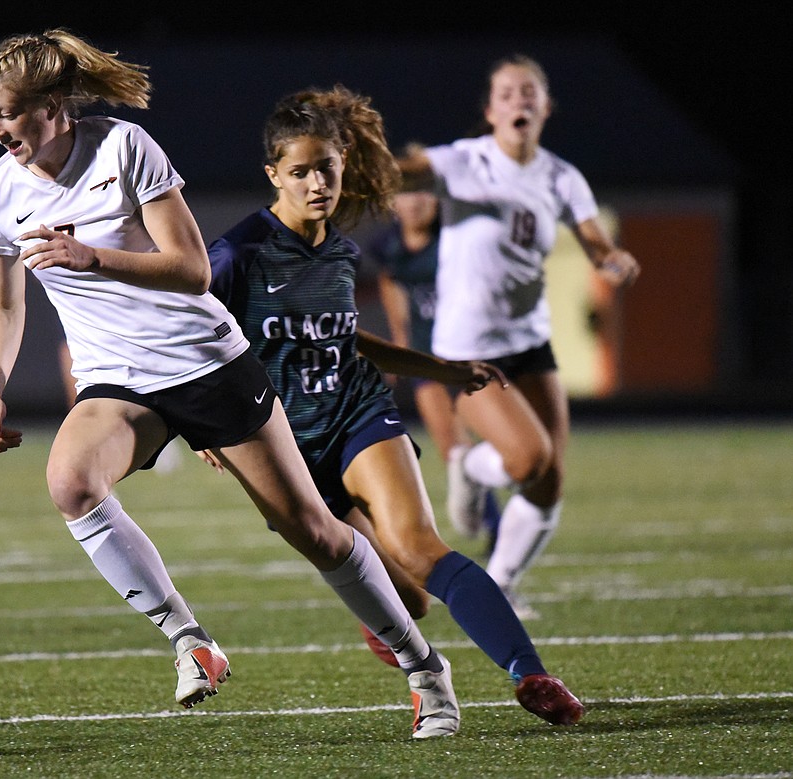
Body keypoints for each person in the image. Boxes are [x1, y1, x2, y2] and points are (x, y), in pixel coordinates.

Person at [0, 29, 459, 737]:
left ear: (53, 104)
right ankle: (190, 640)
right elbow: (5, 303)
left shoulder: (123, 147)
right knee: (71, 482)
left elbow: (194, 270)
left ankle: (425, 671)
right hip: (117, 380)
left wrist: (92, 257)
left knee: (315, 532)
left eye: (7, 112)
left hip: (206, 363)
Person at [204, 84, 585, 727]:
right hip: (280, 443)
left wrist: (442, 369)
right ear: (274, 174)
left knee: (418, 546)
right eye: (299, 172)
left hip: (356, 412)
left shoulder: (343, 253)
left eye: (326, 167)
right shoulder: (235, 255)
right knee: (409, 601)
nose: (316, 183)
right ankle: (394, 632)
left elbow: (344, 338)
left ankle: (533, 675)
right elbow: (188, 337)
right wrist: (209, 429)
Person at [398, 54, 641, 618]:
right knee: (530, 459)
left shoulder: (560, 175)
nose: (519, 101)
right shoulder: (464, 162)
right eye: (507, 93)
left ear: (545, 106)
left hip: (529, 340)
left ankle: (501, 584)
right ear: (491, 110)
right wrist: (360, 158)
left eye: (529, 92)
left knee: (549, 480)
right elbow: (405, 170)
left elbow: (592, 240)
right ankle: (472, 465)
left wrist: (611, 259)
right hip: (468, 349)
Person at [364, 160, 502, 553]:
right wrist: (400, 337)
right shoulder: (388, 245)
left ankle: (501, 516)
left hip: (468, 355)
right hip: (427, 358)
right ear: (392, 201)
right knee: (453, 450)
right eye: (405, 193)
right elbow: (391, 281)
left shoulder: (455, 240)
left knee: (496, 445)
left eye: (423, 192)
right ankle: (496, 527)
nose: (414, 202)